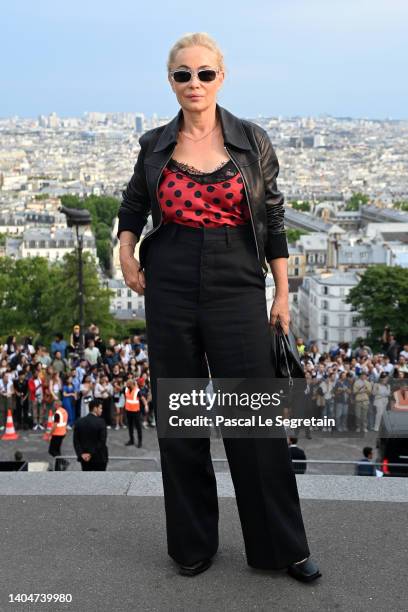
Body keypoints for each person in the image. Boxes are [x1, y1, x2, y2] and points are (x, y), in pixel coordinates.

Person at [116, 33, 320, 582]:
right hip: (172, 275)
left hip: (236, 277)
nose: (194, 84)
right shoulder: (155, 143)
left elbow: (273, 221)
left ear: (222, 77)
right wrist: (125, 248)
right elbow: (134, 203)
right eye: (183, 75)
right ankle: (192, 544)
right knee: (181, 417)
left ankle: (281, 546)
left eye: (204, 74)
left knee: (253, 419)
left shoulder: (252, 141)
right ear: (171, 81)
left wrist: (281, 293)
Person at [73, 399, 108, 471]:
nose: (102, 410)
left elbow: (76, 441)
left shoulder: (79, 422)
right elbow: (102, 441)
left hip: (85, 459)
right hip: (99, 458)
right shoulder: (101, 422)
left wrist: (81, 454)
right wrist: (90, 454)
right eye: (100, 408)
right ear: (95, 408)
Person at [124, 378, 146, 447]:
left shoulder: (137, 391)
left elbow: (142, 398)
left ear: (132, 384)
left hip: (136, 412)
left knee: (138, 427)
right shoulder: (126, 389)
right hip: (128, 411)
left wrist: (146, 405)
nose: (127, 385)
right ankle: (131, 440)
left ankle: (140, 442)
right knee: (130, 426)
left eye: (128, 384)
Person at [48, 403, 69, 470]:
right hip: (63, 433)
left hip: (57, 434)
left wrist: (50, 434)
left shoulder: (57, 413)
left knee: (51, 451)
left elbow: (55, 425)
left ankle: (64, 462)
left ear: (57, 405)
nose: (53, 406)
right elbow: (64, 422)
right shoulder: (64, 411)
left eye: (54, 404)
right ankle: (57, 468)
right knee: (57, 451)